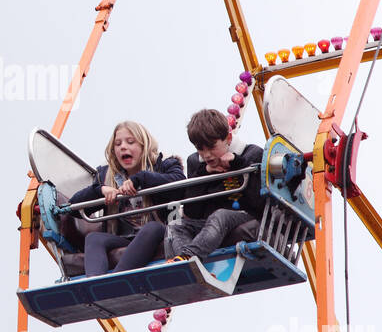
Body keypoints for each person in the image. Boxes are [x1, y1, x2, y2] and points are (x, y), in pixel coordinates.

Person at [69, 121, 184, 276]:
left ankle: (115, 280)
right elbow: (74, 208)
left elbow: (180, 186)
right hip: (125, 237)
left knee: (152, 228)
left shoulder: (164, 165)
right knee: (94, 238)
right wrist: (100, 191)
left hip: (161, 233)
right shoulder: (106, 175)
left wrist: (141, 179)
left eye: (130, 142)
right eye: (118, 144)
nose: (123, 147)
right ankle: (95, 284)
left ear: (144, 146)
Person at [166, 109, 264, 260]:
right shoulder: (195, 162)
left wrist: (238, 166)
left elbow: (258, 202)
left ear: (228, 139)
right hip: (208, 223)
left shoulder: (251, 154)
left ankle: (188, 256)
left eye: (212, 147)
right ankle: (185, 263)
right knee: (175, 225)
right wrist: (204, 173)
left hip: (246, 215)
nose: (206, 155)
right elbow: (192, 212)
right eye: (200, 149)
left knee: (220, 215)